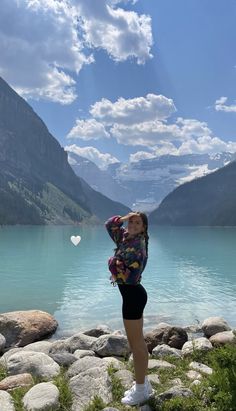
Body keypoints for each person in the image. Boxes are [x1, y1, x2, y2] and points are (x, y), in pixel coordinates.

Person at [105, 212, 153, 406]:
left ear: (143, 228)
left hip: (133, 297)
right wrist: (125, 218)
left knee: (137, 345)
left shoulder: (138, 247)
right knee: (137, 343)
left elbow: (132, 277)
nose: (132, 224)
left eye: (137, 222)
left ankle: (141, 390)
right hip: (132, 297)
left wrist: (113, 265)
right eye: (131, 222)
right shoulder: (125, 237)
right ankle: (144, 384)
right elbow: (109, 224)